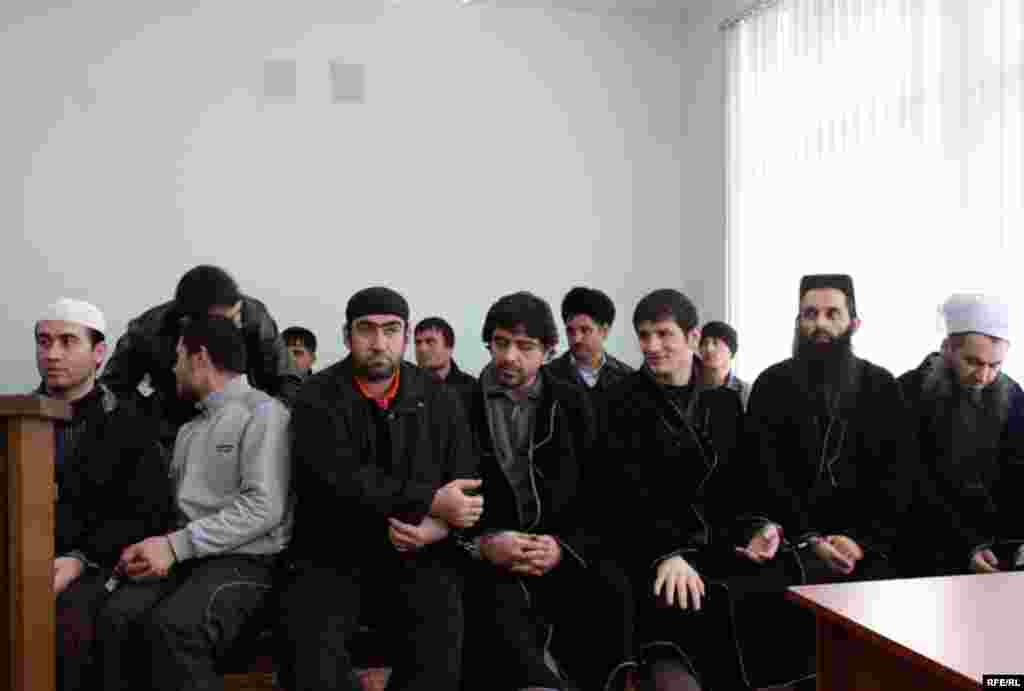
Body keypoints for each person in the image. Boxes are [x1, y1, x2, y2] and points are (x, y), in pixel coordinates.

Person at [278, 287, 479, 691]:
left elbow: (465, 485)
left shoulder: (439, 398)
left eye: (390, 330)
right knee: (311, 651)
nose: (379, 342)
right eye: (366, 329)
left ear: (405, 335)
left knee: (441, 634)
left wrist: (435, 529)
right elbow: (335, 479)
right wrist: (429, 501)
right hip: (333, 549)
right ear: (346, 336)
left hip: (417, 548)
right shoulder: (316, 396)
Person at [599, 290, 792, 691]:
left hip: (716, 546)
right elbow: (618, 497)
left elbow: (740, 486)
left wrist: (758, 528)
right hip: (645, 549)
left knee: (782, 580)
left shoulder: (724, 403)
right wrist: (665, 554)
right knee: (679, 603)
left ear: (692, 336)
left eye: (663, 334)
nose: (652, 346)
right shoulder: (617, 401)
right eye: (644, 335)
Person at [95, 316, 293, 691]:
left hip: (248, 561)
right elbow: (176, 515)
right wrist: (149, 548)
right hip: (189, 558)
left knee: (173, 628)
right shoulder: (190, 429)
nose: (174, 369)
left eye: (179, 358)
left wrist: (174, 546)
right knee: (116, 617)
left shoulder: (266, 414)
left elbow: (264, 508)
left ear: (200, 358)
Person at [460, 291, 632, 691]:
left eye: (525, 346)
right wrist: (484, 544)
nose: (510, 357)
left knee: (612, 590)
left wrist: (562, 547)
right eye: (501, 343)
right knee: (493, 608)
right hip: (490, 553)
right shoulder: (460, 405)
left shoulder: (575, 403)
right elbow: (447, 497)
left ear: (549, 351)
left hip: (561, 546)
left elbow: (601, 494)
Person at [35, 298, 172, 691]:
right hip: (24, 557)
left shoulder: (129, 423)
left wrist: (80, 559)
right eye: (44, 342)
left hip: (98, 565)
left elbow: (147, 514)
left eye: (67, 341)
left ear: (98, 354)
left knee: (70, 626)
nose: (52, 354)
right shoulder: (16, 419)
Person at [746, 274, 913, 582]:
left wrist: (860, 541)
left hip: (863, 548)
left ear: (854, 323)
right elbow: (761, 474)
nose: (820, 323)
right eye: (810, 314)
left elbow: (898, 477)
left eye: (832, 314)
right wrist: (808, 537)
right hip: (789, 543)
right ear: (798, 322)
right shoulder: (771, 384)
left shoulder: (881, 386)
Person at [102, 264, 303, 446]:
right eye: (227, 321)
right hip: (173, 431)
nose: (236, 325)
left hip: (243, 426)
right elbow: (112, 388)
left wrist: (262, 422)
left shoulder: (252, 317)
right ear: (189, 322)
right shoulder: (148, 331)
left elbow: (289, 382)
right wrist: (150, 422)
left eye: (237, 315)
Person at [899, 293, 1024, 575]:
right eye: (973, 362)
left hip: (996, 547)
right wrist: (965, 548)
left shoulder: (1012, 394)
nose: (983, 376)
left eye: (995, 365)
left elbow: (1018, 475)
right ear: (947, 348)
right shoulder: (907, 393)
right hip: (928, 545)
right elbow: (911, 484)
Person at [547, 286, 632, 397]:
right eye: (570, 331)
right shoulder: (547, 376)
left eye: (585, 330)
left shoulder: (628, 379)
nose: (576, 339)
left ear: (604, 331)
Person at [414, 316, 477, 412]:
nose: (422, 349)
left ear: (449, 347)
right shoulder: (404, 386)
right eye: (418, 343)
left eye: (430, 342)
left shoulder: (473, 390)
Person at [698, 320, 750, 410]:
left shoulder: (745, 392)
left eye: (715, 343)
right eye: (705, 343)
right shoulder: (691, 387)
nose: (708, 348)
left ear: (730, 350)